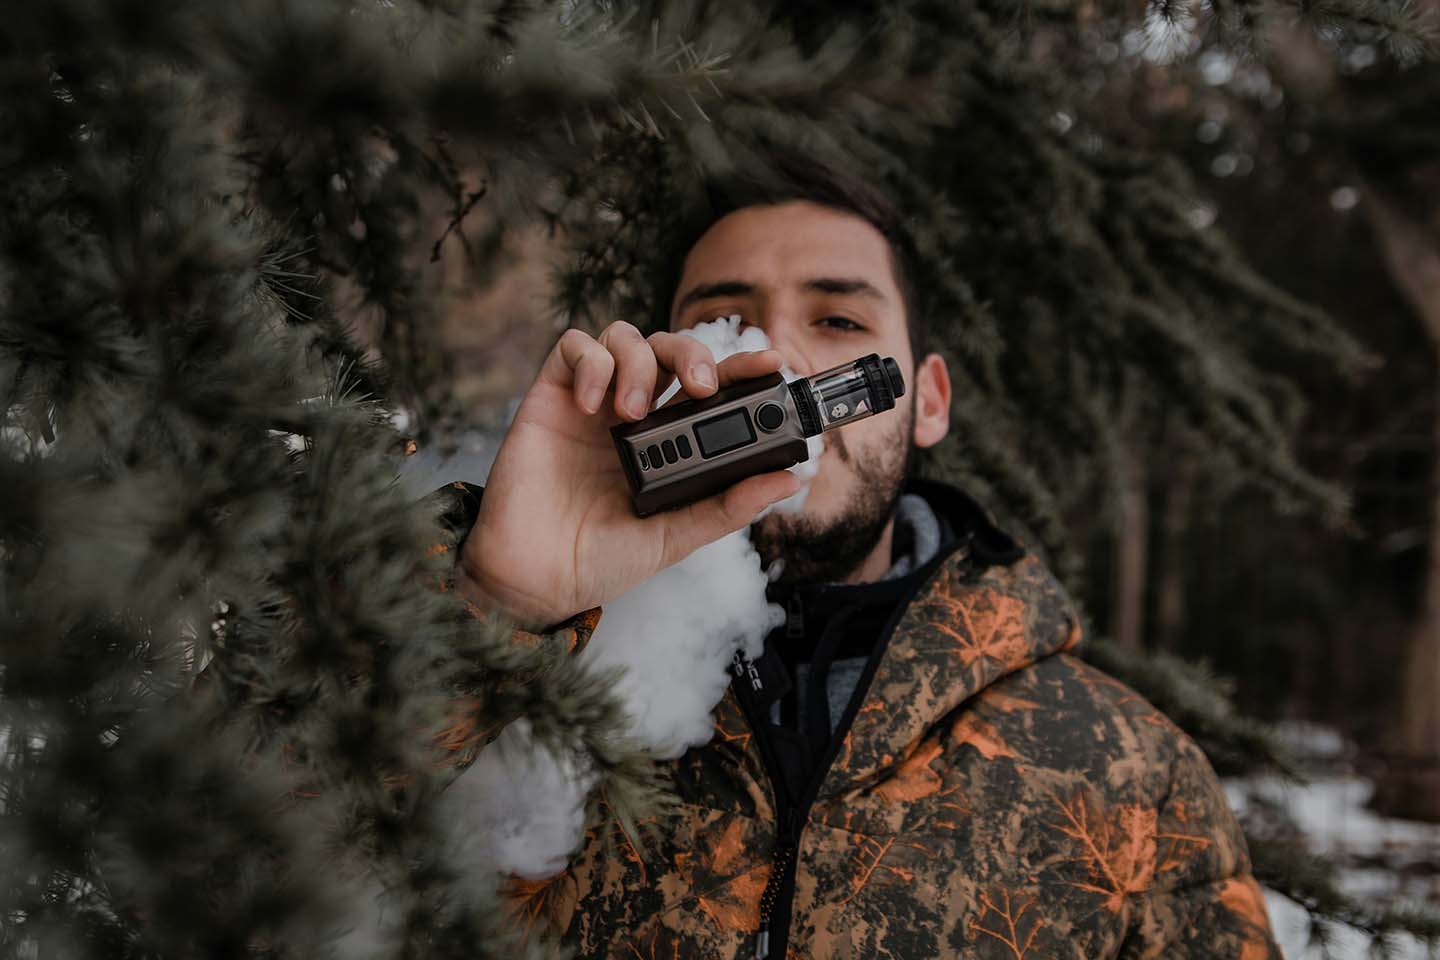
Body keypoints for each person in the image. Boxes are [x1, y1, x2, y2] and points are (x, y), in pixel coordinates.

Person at [440, 160, 1282, 958]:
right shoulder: (525, 697)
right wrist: (491, 604)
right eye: (724, 319)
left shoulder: (1131, 772)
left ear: (929, 401)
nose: (781, 365)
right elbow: (318, 873)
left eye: (838, 320)